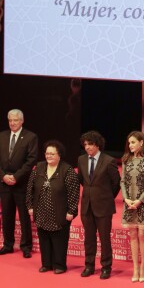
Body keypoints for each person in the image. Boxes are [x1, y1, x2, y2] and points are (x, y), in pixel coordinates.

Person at [26, 140, 80, 274]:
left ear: (59, 155)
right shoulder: (38, 168)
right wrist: (30, 206)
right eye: (47, 153)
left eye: (52, 154)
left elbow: (74, 192)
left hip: (60, 212)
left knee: (59, 240)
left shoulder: (67, 170)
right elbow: (29, 189)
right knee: (44, 238)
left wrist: (71, 211)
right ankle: (46, 264)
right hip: (41, 211)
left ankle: (60, 265)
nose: (48, 156)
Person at [78, 131, 120, 279]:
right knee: (89, 239)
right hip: (86, 206)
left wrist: (107, 197)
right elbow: (82, 180)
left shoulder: (109, 161)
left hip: (104, 207)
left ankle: (106, 267)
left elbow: (116, 183)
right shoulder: (81, 160)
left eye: (90, 144)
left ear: (97, 144)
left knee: (104, 238)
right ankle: (89, 265)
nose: (87, 147)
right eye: (85, 144)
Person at [0, 109, 38, 258]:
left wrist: (16, 176)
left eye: (15, 120)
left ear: (22, 121)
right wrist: (3, 177)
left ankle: (26, 246)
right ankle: (8, 244)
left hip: (21, 183)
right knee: (7, 215)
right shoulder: (2, 136)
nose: (12, 123)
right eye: (10, 120)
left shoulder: (30, 137)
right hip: (4, 183)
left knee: (23, 216)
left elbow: (31, 160)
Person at [121, 131, 144, 283]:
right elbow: (122, 181)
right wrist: (126, 199)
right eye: (129, 143)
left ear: (141, 142)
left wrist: (140, 201)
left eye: (133, 142)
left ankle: (143, 267)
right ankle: (135, 267)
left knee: (142, 236)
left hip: (143, 204)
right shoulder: (126, 159)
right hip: (129, 203)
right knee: (133, 236)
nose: (130, 146)